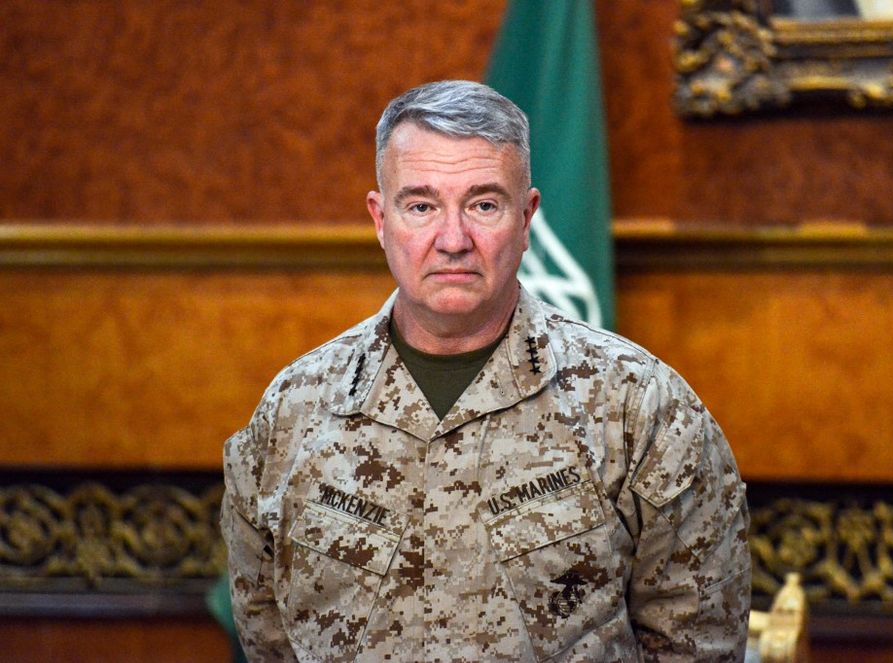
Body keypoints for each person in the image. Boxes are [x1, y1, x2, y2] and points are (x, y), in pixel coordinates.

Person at [222, 80, 751, 662]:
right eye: (421, 206)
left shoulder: (640, 406)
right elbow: (269, 634)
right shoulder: (293, 410)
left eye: (483, 205)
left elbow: (697, 643)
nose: (453, 240)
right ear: (380, 219)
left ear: (526, 219)